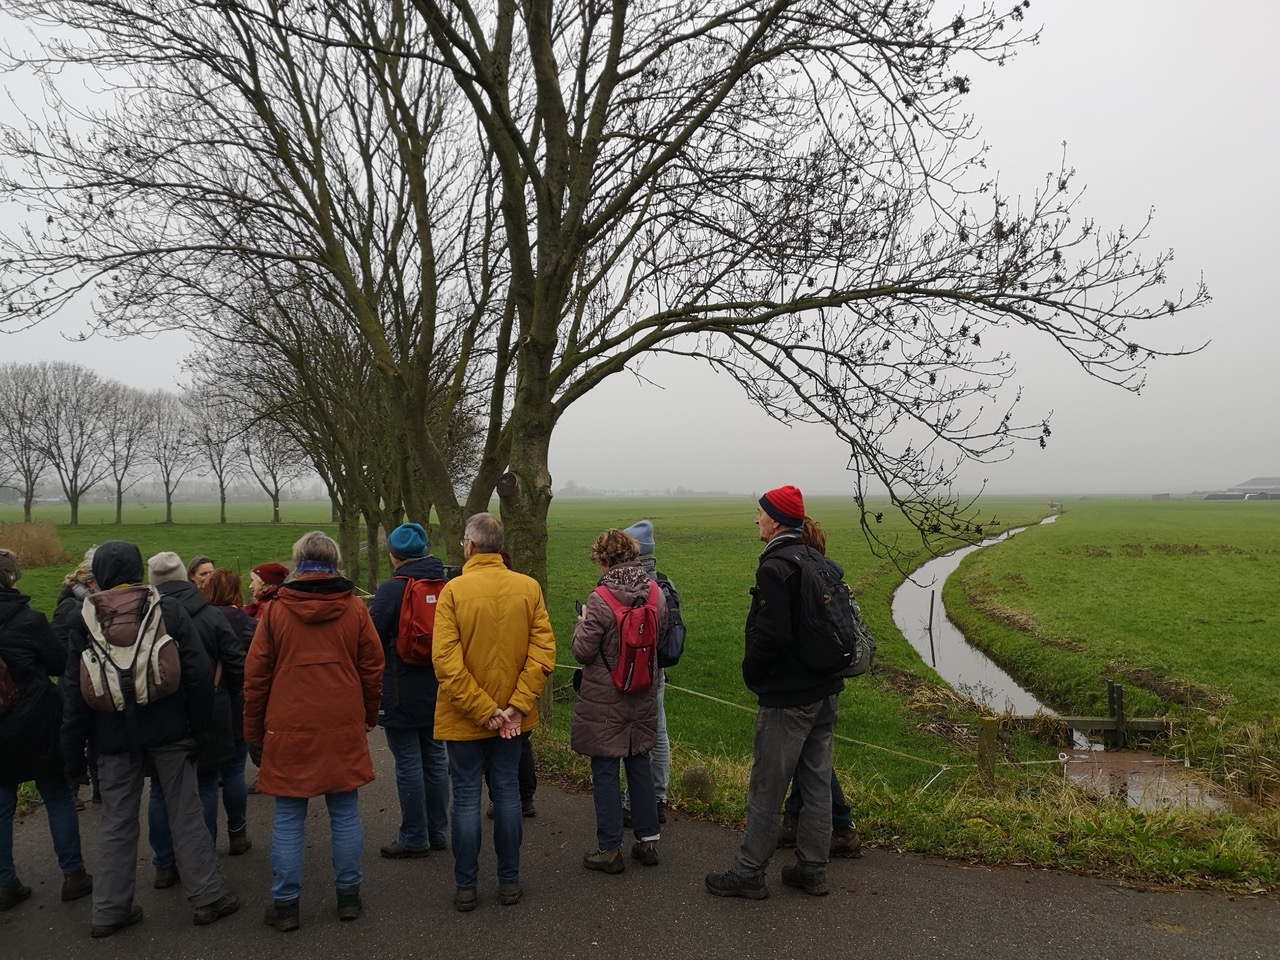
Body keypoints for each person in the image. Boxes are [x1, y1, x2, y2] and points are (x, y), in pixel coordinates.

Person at [61, 540, 238, 937]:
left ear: (101, 574)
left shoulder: (83, 616)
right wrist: (200, 730)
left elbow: (73, 693)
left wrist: (73, 754)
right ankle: (207, 899)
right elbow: (194, 672)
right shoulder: (167, 608)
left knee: (116, 823)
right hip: (171, 730)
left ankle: (108, 911)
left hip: (110, 736)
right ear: (138, 570)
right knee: (185, 814)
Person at [705, 485, 843, 900]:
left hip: (790, 694)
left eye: (760, 513)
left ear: (777, 519)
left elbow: (773, 634)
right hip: (826, 687)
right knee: (816, 781)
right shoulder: (815, 558)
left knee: (768, 783)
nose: (756, 519)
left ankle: (748, 872)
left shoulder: (774, 567)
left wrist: (753, 673)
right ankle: (812, 869)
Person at [242, 532, 383, 931]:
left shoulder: (274, 611)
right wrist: (369, 714)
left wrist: (253, 730)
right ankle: (348, 897)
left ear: (297, 562)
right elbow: (373, 668)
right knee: (344, 812)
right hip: (341, 721)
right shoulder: (355, 609)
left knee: (288, 815)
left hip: (288, 725)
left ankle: (285, 905)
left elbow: (256, 678)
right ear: (334, 562)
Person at [432, 513, 555, 912]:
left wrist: (484, 711)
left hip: (465, 717)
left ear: (469, 545)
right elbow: (543, 652)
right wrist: (516, 707)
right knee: (506, 795)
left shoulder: (453, 592)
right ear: (500, 546)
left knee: (466, 797)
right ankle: (509, 882)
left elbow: (445, 661)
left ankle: (466, 886)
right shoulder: (528, 587)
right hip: (511, 722)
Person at [144, 553, 249, 887]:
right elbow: (237, 663)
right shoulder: (209, 615)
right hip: (212, 707)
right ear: (185, 577)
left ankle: (164, 863)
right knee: (208, 782)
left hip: (158, 712)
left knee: (160, 789)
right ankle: (207, 855)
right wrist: (229, 695)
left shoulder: (144, 618)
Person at [0, 547, 92, 912]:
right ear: (11, 578)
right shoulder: (28, 619)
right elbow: (57, 661)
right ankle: (73, 875)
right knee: (56, 794)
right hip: (37, 718)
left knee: (2, 802)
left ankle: (5, 883)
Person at [571, 528, 666, 874]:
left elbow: (583, 651)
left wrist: (581, 624)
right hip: (642, 690)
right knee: (639, 760)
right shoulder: (655, 593)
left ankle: (609, 848)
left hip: (605, 696)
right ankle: (648, 840)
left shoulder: (599, 599)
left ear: (603, 559)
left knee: (606, 770)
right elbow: (660, 635)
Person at [777, 517, 862, 859]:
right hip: (828, 679)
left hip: (809, 682)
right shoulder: (832, 579)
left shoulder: (808, 581)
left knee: (810, 757)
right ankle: (797, 818)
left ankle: (841, 827)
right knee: (809, 755)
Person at [369, 522, 449, 859]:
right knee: (435, 757)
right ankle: (439, 830)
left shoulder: (391, 590)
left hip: (400, 687)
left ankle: (414, 837)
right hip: (440, 685)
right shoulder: (447, 583)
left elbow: (370, 640)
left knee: (408, 763)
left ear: (393, 555)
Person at [621, 519, 675, 826]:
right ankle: (658, 798)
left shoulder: (632, 586)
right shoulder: (664, 582)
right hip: (658, 668)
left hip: (633, 670)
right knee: (660, 732)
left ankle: (634, 804)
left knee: (635, 738)